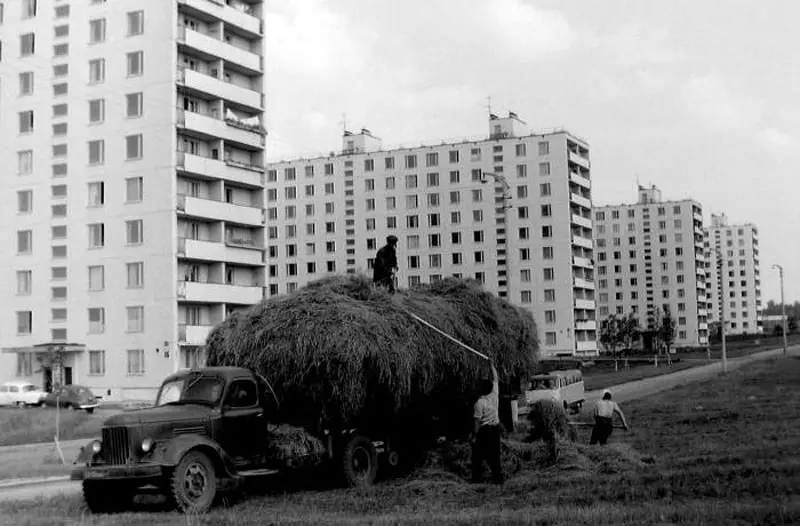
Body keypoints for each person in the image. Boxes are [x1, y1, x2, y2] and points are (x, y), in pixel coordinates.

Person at [471, 364, 504, 484]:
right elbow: (495, 378)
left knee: (477, 457)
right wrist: (491, 365)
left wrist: (474, 436)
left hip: (484, 432)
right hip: (495, 431)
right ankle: (498, 480)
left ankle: (477, 480)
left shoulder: (479, 403)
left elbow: (476, 422)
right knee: (495, 456)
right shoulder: (494, 394)